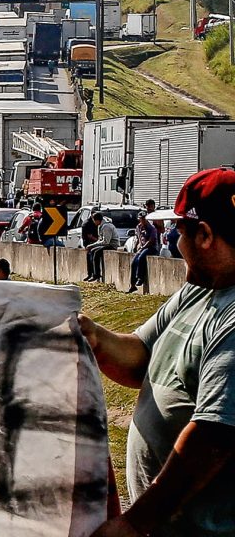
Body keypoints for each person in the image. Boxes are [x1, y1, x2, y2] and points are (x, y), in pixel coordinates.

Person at [80, 168, 235, 537]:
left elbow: (214, 438)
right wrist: (95, 337)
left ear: (206, 235)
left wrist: (136, 523)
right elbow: (142, 358)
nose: (174, 242)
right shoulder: (201, 288)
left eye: (178, 231)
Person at [128, 211, 159, 293]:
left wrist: (143, 247)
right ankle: (132, 285)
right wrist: (136, 246)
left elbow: (151, 240)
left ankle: (140, 278)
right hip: (142, 247)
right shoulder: (138, 227)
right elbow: (138, 238)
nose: (143, 221)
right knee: (134, 262)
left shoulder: (151, 228)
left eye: (144, 219)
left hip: (151, 248)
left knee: (141, 258)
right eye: (141, 219)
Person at [84, 213, 118, 282]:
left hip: (111, 245)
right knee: (91, 251)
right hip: (106, 244)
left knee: (96, 252)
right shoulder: (100, 226)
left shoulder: (106, 226)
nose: (93, 222)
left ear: (97, 220)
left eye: (94, 220)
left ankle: (96, 274)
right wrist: (92, 245)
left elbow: (106, 242)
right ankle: (92, 273)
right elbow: (100, 239)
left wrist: (93, 245)